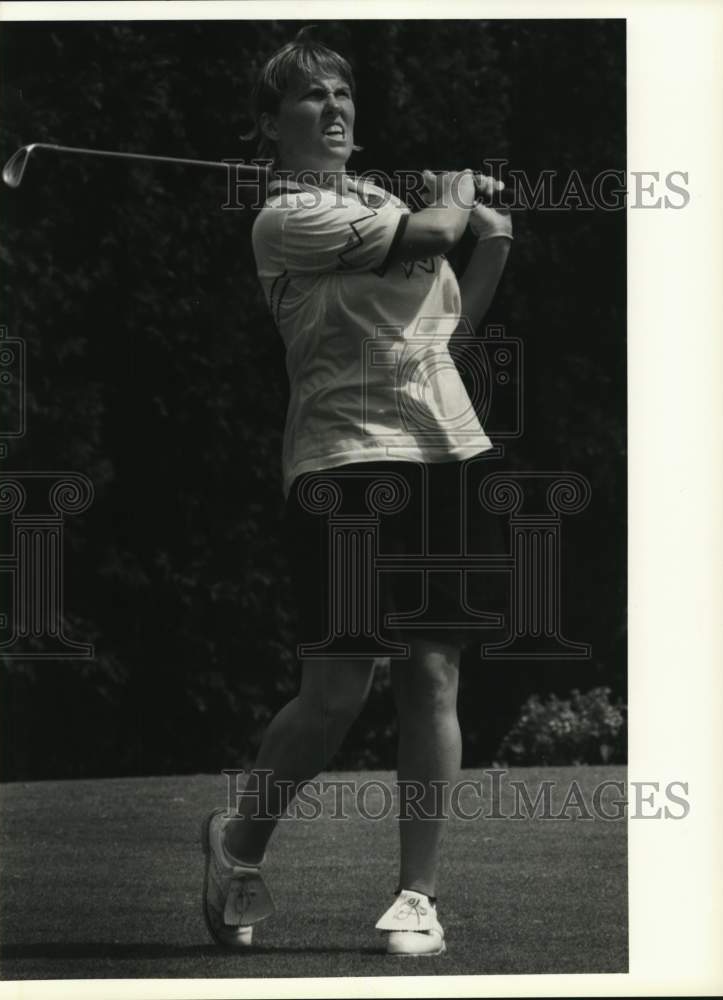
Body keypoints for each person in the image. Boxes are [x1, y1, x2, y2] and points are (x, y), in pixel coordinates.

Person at [202, 29, 512, 957]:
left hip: (443, 449)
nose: (333, 109)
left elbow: (450, 329)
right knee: (339, 688)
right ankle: (238, 841)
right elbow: (429, 233)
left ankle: (415, 895)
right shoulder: (285, 219)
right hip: (344, 463)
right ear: (270, 126)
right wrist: (458, 198)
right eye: (309, 99)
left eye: (341, 95)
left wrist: (491, 238)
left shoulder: (378, 200)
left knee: (431, 672)